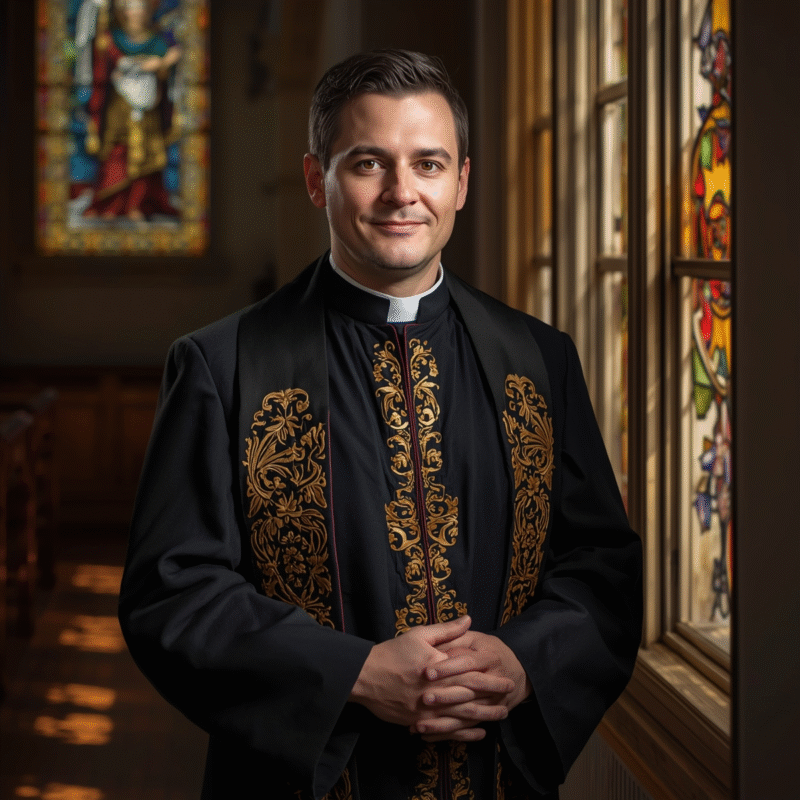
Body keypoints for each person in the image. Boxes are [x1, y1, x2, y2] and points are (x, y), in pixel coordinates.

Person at [119, 49, 642, 800]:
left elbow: (602, 563)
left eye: (429, 164)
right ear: (315, 180)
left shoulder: (540, 358)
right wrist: (355, 675)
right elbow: (171, 593)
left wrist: (525, 660)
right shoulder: (219, 366)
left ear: (461, 181)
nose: (404, 193)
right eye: (369, 163)